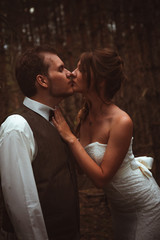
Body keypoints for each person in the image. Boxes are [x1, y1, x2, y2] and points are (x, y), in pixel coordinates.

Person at [52, 48, 160, 240]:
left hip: (145, 205)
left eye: (80, 69)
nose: (72, 73)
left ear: (100, 80)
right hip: (119, 209)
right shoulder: (84, 117)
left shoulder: (121, 121)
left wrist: (70, 138)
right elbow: (81, 168)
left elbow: (101, 179)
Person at [0, 45, 80, 240]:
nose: (70, 73)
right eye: (61, 69)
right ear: (42, 80)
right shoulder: (17, 126)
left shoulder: (58, 120)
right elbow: (24, 206)